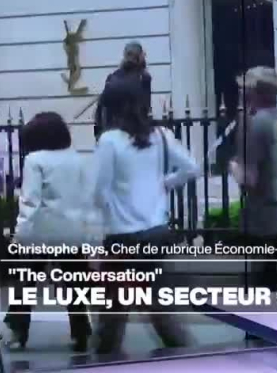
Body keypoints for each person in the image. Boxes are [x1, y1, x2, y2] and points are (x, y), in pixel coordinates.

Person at [93, 77, 198, 354]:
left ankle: (105, 360)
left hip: (122, 236)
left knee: (113, 308)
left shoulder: (110, 140)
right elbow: (192, 167)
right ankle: (188, 355)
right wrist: (164, 184)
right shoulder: (161, 135)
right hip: (156, 231)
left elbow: (100, 190)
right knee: (157, 304)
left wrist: (103, 215)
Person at [4, 112, 98, 352]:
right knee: (76, 283)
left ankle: (18, 331)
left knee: (26, 281)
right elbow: (86, 198)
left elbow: (30, 202)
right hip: (73, 233)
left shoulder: (34, 160)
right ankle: (81, 332)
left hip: (42, 232)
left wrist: (20, 235)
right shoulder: (76, 158)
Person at [229, 66, 277, 291]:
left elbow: (249, 178)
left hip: (259, 218)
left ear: (254, 93)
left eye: (245, 90)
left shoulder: (255, 124)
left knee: (258, 287)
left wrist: (233, 167)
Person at [94, 41, 152, 139]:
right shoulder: (143, 78)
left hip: (110, 133)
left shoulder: (112, 78)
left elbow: (100, 110)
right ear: (140, 57)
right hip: (133, 134)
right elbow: (145, 108)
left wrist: (99, 136)